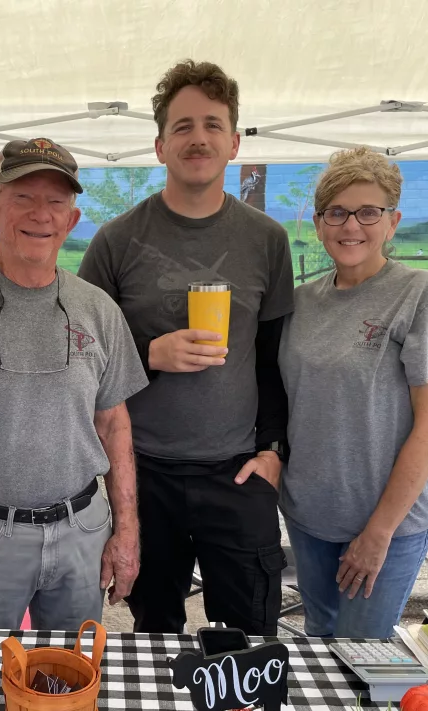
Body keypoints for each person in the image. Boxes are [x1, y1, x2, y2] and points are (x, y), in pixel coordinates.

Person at [78, 60, 294, 636]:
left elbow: (274, 358)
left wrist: (274, 450)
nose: (198, 137)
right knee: (153, 633)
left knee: (248, 639)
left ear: (234, 143)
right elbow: (82, 354)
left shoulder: (268, 240)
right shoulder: (116, 241)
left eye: (213, 125)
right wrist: (150, 353)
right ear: (159, 145)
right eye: (183, 126)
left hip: (240, 472)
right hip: (145, 474)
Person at [0, 137, 148, 632]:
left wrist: (127, 533)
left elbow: (115, 426)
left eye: (57, 201)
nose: (41, 213)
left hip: (82, 527)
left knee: (71, 677)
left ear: (72, 220)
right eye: (23, 196)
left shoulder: (99, 310)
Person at [278, 147, 428, 639]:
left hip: (386, 524)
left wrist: (379, 532)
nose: (350, 226)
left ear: (392, 220)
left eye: (368, 212)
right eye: (336, 212)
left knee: (361, 662)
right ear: (318, 224)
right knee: (320, 640)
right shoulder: (301, 302)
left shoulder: (421, 293)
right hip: (310, 515)